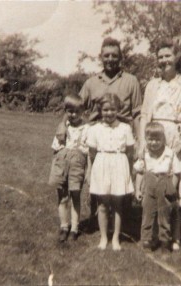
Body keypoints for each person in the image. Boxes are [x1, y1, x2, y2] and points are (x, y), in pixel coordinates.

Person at [56, 37, 142, 223]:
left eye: (114, 55)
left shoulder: (131, 81)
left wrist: (140, 141)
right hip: (97, 137)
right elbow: (74, 106)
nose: (110, 59)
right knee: (96, 177)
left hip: (122, 136)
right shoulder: (91, 82)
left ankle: (122, 219)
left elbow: (137, 114)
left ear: (120, 58)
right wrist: (62, 124)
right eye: (107, 55)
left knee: (122, 178)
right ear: (101, 57)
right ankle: (97, 216)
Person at [139, 39, 181, 250]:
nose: (164, 60)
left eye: (168, 55)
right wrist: (141, 143)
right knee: (156, 186)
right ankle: (155, 235)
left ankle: (176, 236)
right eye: (160, 57)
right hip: (155, 137)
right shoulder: (152, 85)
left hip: (178, 137)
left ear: (176, 58)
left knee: (176, 186)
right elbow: (145, 114)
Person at [87, 93, 135, 251]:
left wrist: (127, 172)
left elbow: (129, 151)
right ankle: (103, 237)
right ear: (100, 110)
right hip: (101, 164)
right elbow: (92, 152)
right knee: (102, 204)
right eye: (105, 110)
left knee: (117, 204)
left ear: (118, 110)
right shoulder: (94, 129)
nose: (109, 113)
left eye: (113, 110)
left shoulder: (125, 128)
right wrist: (92, 170)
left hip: (119, 164)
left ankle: (115, 238)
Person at [134, 122, 181, 252]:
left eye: (157, 139)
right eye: (150, 139)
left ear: (163, 139)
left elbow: (177, 173)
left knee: (164, 215)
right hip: (149, 186)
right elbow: (139, 172)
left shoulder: (170, 154)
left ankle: (165, 242)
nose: (154, 143)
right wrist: (138, 189)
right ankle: (147, 241)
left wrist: (171, 189)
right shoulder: (144, 154)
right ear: (146, 139)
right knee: (147, 214)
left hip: (164, 185)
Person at [48, 95, 89, 242]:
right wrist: (55, 168)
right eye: (70, 111)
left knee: (75, 196)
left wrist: (87, 171)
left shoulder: (86, 129)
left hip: (77, 164)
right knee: (62, 197)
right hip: (61, 163)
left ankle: (75, 228)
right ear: (66, 111)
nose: (73, 115)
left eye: (77, 111)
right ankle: (64, 226)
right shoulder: (62, 129)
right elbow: (56, 150)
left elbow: (88, 153)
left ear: (82, 112)